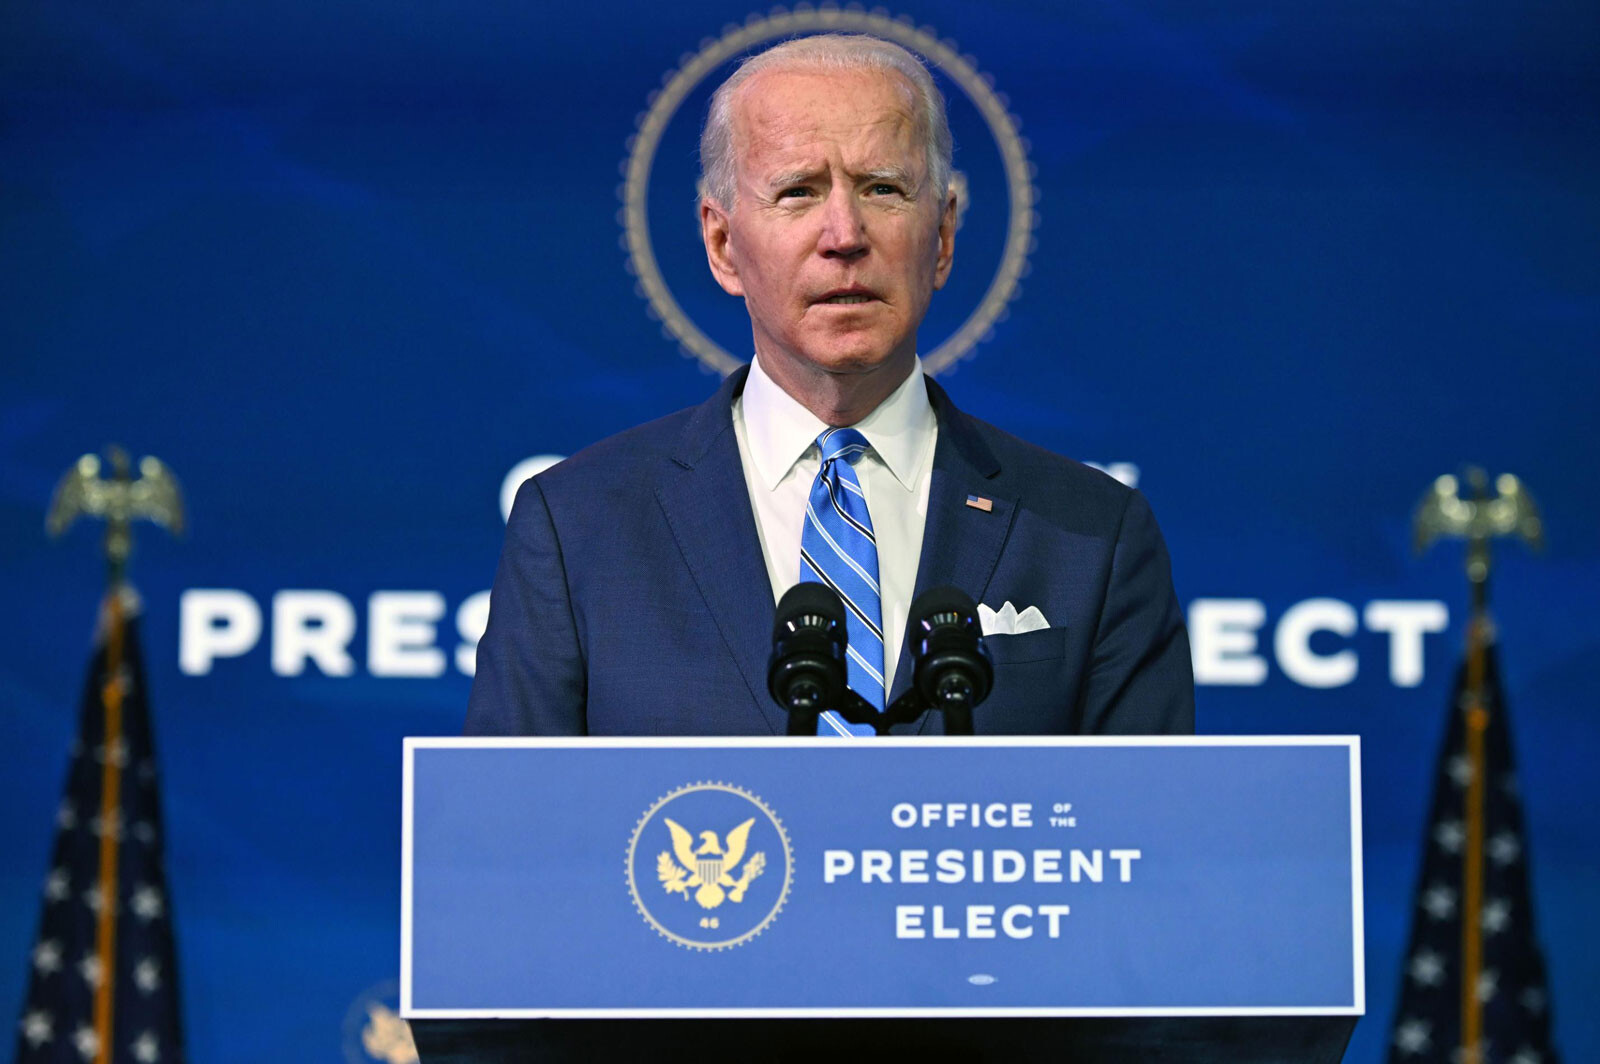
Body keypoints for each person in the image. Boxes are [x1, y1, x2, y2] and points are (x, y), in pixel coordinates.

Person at [466, 34, 1193, 737]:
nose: (844, 233)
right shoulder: (576, 529)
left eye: (883, 188)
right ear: (723, 245)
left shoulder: (1092, 536)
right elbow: (507, 842)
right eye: (798, 192)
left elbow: (1149, 844)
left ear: (941, 239)